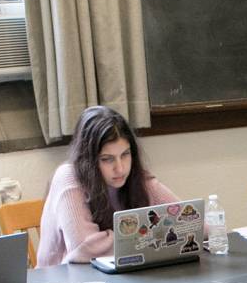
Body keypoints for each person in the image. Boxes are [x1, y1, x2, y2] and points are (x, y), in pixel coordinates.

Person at [37, 105, 178, 265]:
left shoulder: (136, 177)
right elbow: (85, 248)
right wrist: (153, 237)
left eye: (125, 154)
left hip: (117, 278)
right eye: (107, 159)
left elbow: (190, 222)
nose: (120, 168)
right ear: (88, 161)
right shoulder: (68, 176)